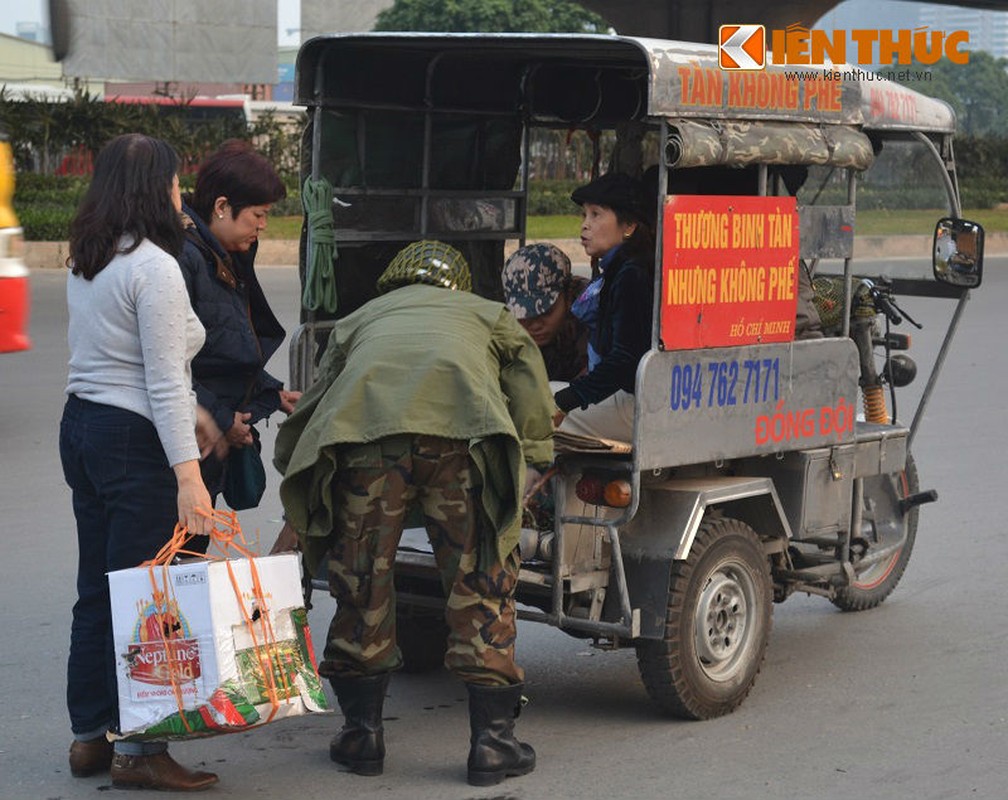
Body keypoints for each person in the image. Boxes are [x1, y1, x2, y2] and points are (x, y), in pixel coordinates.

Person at [273, 240, 554, 787]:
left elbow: (318, 404)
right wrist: (535, 458)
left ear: (395, 283)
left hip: (366, 444)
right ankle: (492, 746)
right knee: (480, 581)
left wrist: (298, 474)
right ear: (457, 284)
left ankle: (362, 737)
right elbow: (529, 387)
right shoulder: (489, 314)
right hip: (465, 443)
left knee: (362, 580)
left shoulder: (360, 318)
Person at [59, 133, 219, 791]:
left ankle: (89, 738)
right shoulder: (154, 267)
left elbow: (131, 362)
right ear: (157, 189)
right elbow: (159, 378)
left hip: (83, 429)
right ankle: (143, 750)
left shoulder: (89, 257)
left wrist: (195, 414)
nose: (183, 195)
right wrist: (191, 476)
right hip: (133, 441)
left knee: (99, 590)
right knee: (148, 599)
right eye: (177, 183)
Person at [176, 139, 300, 508]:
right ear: (221, 207)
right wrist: (219, 416)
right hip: (190, 440)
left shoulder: (223, 254)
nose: (263, 226)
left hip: (211, 433)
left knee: (188, 556)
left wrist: (269, 393)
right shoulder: (185, 258)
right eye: (258, 215)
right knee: (174, 558)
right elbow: (169, 362)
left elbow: (223, 344)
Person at [553, 172, 655, 442]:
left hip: (638, 404)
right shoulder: (620, 267)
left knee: (531, 403)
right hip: (634, 399)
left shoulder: (631, 274)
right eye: (584, 216)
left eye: (596, 215)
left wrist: (568, 399)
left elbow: (626, 359)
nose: (585, 225)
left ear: (629, 225)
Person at [502, 243, 589, 382]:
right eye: (523, 314)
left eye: (545, 312)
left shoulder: (592, 313)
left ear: (567, 295)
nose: (535, 325)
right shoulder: (504, 329)